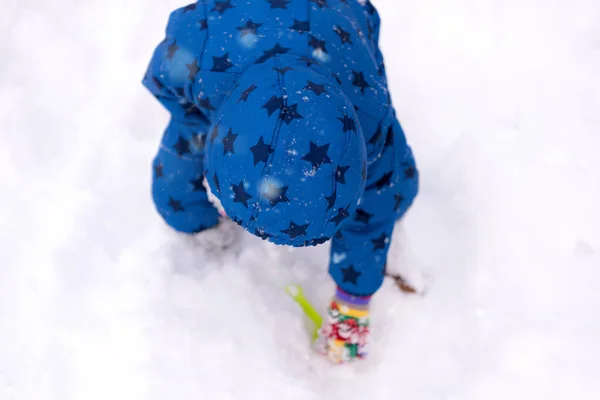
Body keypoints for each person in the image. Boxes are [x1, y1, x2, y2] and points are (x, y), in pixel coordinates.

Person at [142, 0, 418, 364]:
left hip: (339, 25)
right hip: (233, 41)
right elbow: (166, 79)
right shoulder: (198, 56)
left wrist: (354, 297)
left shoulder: (371, 119)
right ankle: (191, 217)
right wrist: (198, 125)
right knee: (181, 152)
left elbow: (382, 198)